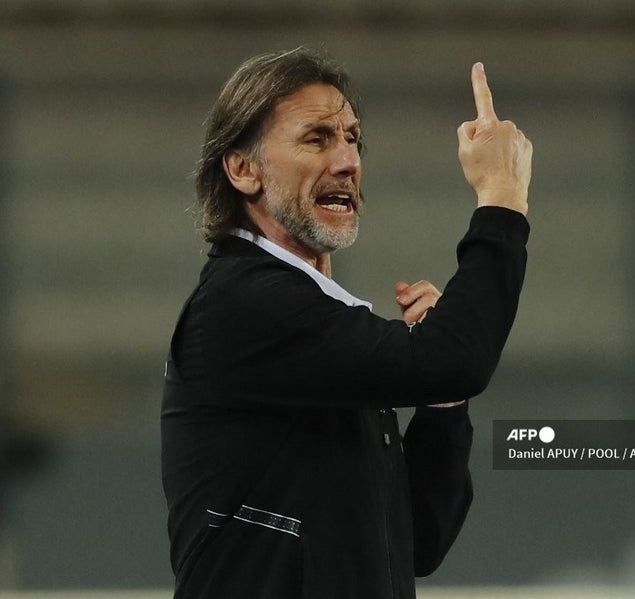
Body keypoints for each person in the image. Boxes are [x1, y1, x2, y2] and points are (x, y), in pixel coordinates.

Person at [161, 47, 532, 599]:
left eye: (352, 139)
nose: (347, 162)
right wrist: (501, 199)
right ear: (242, 169)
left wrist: (443, 400)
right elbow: (455, 359)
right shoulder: (246, 305)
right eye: (317, 139)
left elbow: (418, 541)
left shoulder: (316, 333)